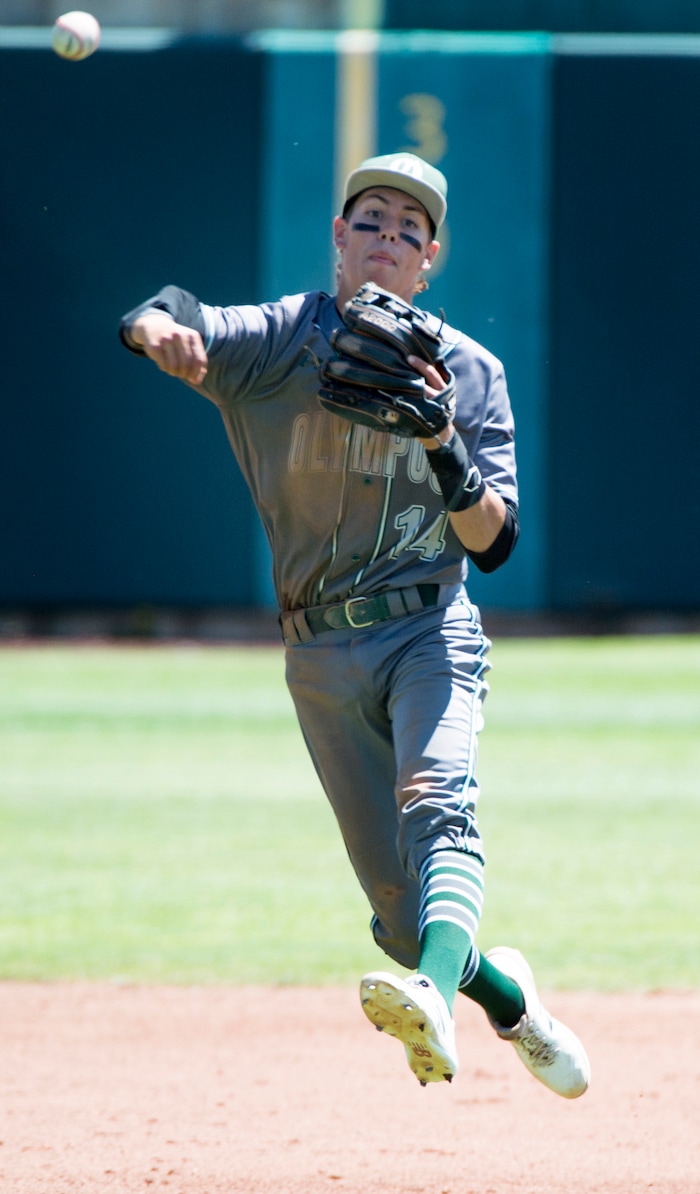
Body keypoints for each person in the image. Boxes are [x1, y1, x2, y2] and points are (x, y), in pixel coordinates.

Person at [119, 152, 590, 1097]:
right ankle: (506, 1002)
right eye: (370, 220)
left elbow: (495, 545)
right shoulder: (282, 338)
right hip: (319, 649)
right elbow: (176, 313)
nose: (387, 238)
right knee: (403, 913)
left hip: (430, 628)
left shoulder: (469, 372)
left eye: (408, 231)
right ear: (339, 238)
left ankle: (439, 1004)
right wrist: (155, 327)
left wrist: (440, 440)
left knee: (437, 804)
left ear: (431, 259)